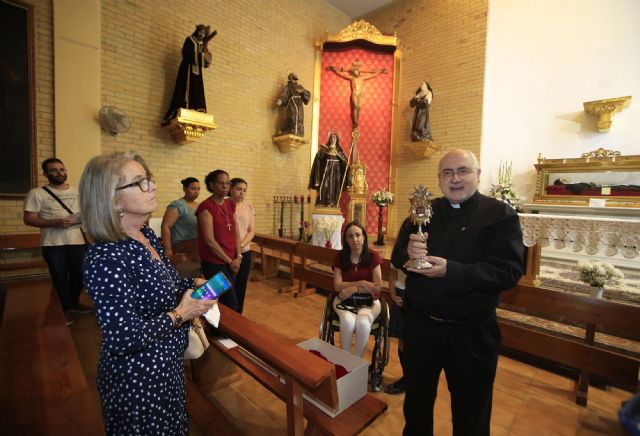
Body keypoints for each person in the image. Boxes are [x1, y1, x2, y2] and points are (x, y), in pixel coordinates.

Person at [78, 151, 215, 434]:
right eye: (139, 182)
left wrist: (193, 286)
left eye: (149, 179)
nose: (152, 186)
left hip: (167, 367)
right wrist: (181, 314)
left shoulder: (146, 236)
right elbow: (122, 337)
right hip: (138, 379)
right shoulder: (106, 257)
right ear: (112, 199)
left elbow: (169, 284)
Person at [391, 149, 525, 436]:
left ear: (477, 175)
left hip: (471, 333)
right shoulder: (424, 209)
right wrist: (408, 255)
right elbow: (397, 253)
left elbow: (508, 272)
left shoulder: (500, 215)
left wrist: (451, 270)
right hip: (421, 328)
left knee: (470, 415)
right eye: (447, 173)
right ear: (439, 178)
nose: (455, 179)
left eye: (462, 171)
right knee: (416, 407)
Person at [23, 158, 91, 325]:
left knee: (80, 274)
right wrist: (55, 222)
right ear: (46, 174)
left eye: (62, 169)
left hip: (77, 240)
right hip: (53, 243)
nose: (59, 173)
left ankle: (73, 302)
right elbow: (29, 218)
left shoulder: (79, 191)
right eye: (53, 170)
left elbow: (87, 213)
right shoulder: (36, 193)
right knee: (59, 276)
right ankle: (64, 309)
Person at [332, 221, 382, 358]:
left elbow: (377, 288)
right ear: (345, 239)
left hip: (370, 301)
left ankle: (357, 362)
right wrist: (362, 283)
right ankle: (345, 361)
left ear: (364, 237)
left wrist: (354, 289)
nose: (355, 239)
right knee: (347, 321)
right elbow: (337, 286)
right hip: (344, 299)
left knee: (363, 322)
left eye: (358, 235)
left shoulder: (373, 257)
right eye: (350, 236)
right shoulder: (340, 257)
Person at [196, 169, 242, 312]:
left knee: (219, 299)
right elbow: (209, 241)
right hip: (215, 263)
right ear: (211, 185)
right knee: (230, 303)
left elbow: (236, 232)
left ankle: (213, 328)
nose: (225, 186)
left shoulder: (230, 205)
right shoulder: (206, 207)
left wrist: (239, 256)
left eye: (227, 183)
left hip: (232, 261)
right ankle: (218, 329)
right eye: (220, 183)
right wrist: (230, 261)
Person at [162, 24, 217, 126]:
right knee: (185, 88)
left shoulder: (203, 45)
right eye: (200, 31)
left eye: (204, 33)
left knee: (197, 89)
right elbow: (186, 53)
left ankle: (197, 109)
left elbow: (206, 62)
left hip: (197, 73)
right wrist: (201, 56)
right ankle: (184, 108)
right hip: (187, 69)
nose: (202, 34)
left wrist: (207, 58)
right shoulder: (190, 40)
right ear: (196, 31)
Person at [326, 59, 387, 129]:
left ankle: (357, 121)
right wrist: (334, 69)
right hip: (354, 94)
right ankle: (355, 121)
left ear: (359, 72)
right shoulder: (352, 78)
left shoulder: (362, 78)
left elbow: (372, 75)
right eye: (354, 71)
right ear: (353, 72)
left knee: (359, 107)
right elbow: (341, 74)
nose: (356, 72)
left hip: (360, 95)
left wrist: (380, 71)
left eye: (357, 71)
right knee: (355, 106)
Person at [161, 177, 200, 275]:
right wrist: (168, 250)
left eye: (198, 189)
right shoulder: (177, 205)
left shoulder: (200, 206)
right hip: (182, 248)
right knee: (187, 275)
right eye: (193, 188)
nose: (196, 192)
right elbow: (166, 226)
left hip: (198, 247)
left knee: (200, 276)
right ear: (185, 189)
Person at [228, 177, 255, 314]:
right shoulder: (223, 205)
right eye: (238, 189)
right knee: (228, 288)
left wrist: (241, 245)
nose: (242, 193)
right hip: (227, 252)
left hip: (245, 251)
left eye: (244, 190)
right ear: (230, 189)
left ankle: (238, 317)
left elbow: (251, 231)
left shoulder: (248, 208)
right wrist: (234, 247)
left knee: (240, 287)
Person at [308, 133, 351, 207]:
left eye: (334, 137)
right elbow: (318, 159)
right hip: (326, 170)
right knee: (325, 185)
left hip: (336, 171)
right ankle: (322, 202)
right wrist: (321, 153)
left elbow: (344, 162)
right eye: (331, 137)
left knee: (334, 186)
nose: (333, 139)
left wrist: (346, 164)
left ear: (337, 139)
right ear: (329, 139)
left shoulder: (339, 150)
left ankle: (333, 202)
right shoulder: (325, 149)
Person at [384, 264, 408, 395]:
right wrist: (393, 296)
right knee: (402, 341)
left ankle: (415, 378)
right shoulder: (401, 247)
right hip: (401, 293)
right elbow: (392, 274)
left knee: (418, 342)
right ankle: (407, 378)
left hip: (422, 296)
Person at [276, 72, 311, 136]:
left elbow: (307, 94)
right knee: (292, 115)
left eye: (295, 78)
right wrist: (281, 100)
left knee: (300, 116)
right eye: (293, 78)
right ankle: (290, 129)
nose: (294, 80)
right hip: (292, 103)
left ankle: (299, 130)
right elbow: (285, 94)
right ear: (290, 78)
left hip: (299, 103)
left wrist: (303, 91)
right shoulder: (288, 87)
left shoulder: (300, 86)